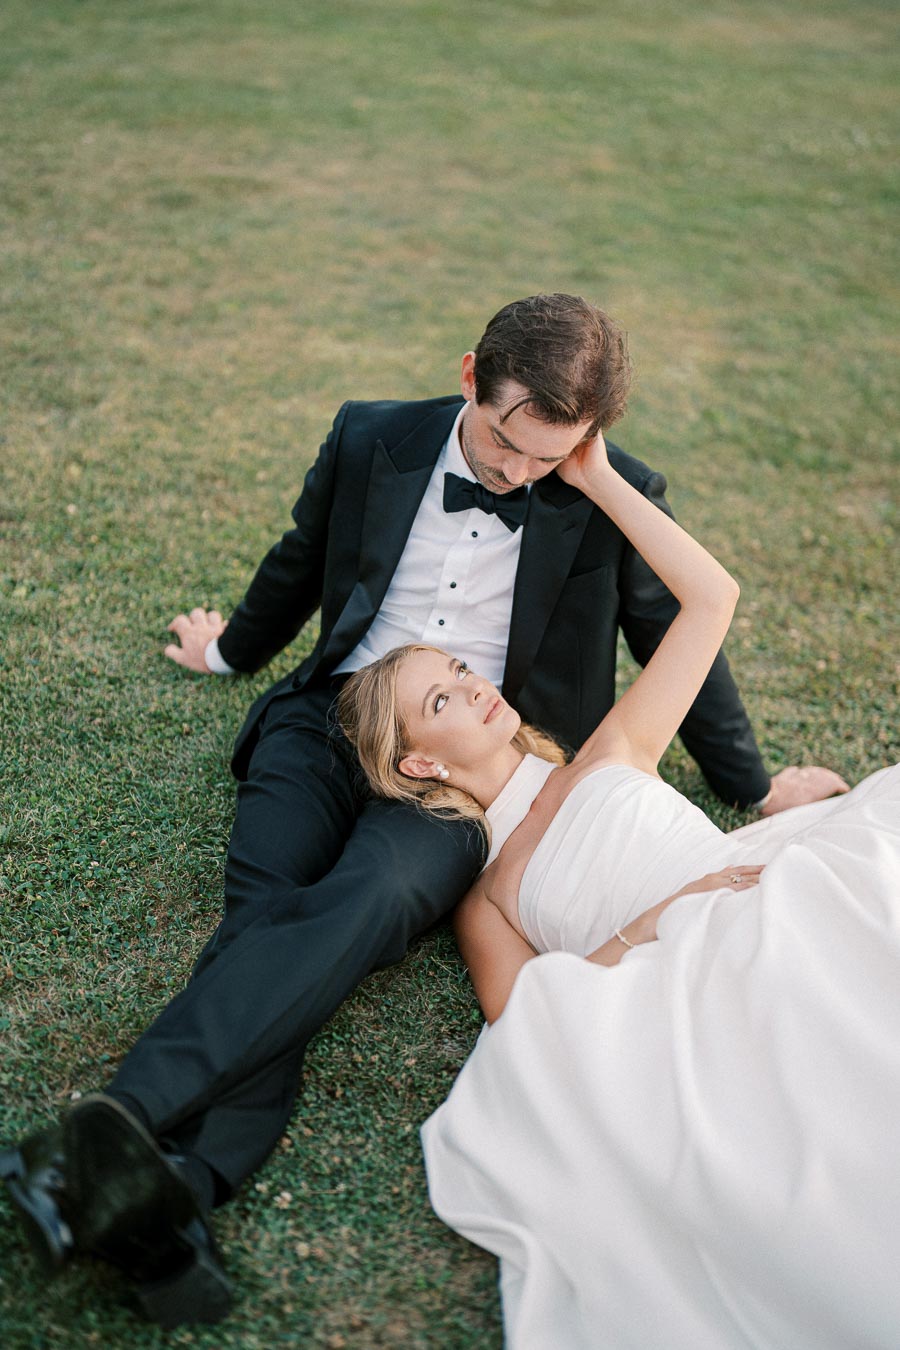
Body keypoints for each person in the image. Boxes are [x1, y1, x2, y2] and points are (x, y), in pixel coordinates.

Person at [1, 295, 846, 1329]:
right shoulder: (371, 434)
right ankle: (169, 1190)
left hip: (463, 777)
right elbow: (301, 558)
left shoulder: (607, 492)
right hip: (331, 718)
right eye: (504, 442)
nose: (518, 474)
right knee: (263, 912)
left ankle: (121, 1138)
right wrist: (229, 652)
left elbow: (683, 627)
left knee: (373, 895)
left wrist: (753, 783)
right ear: (467, 377)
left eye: (551, 459)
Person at [336, 426, 900, 1349]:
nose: (474, 689)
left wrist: (597, 477)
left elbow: (712, 599)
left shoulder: (611, 748)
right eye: (442, 699)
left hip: (774, 889)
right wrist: (661, 920)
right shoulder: (486, 903)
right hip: (691, 975)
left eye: (461, 672)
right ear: (421, 761)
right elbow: (535, 1035)